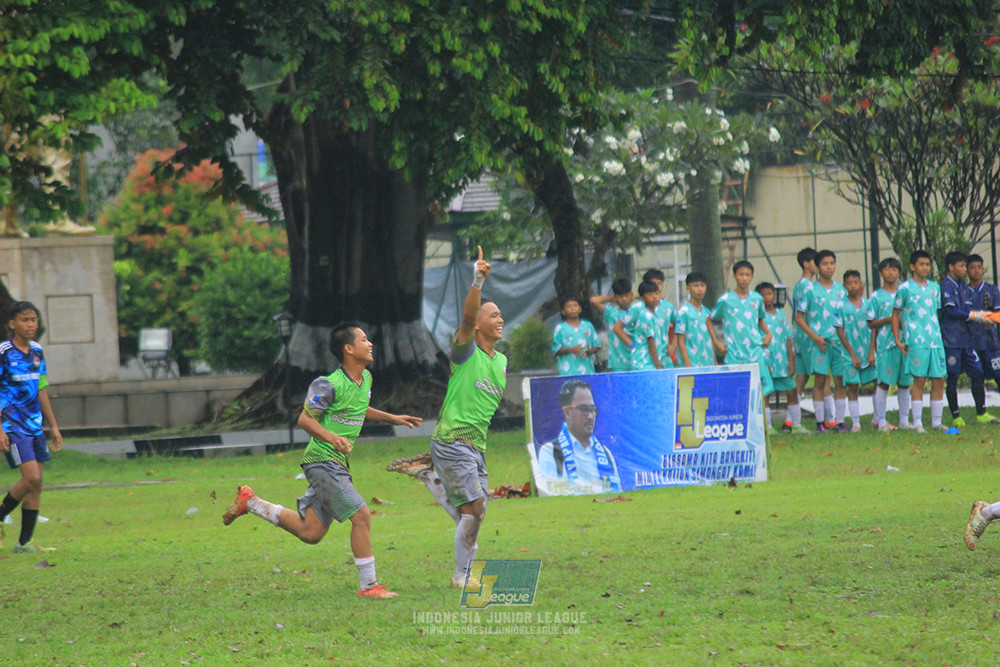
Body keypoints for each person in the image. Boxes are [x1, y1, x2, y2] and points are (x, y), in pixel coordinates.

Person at [222, 322, 422, 599]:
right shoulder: (327, 384)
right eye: (364, 339)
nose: (370, 343)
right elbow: (305, 419)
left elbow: (360, 408)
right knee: (362, 516)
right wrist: (331, 437)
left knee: (311, 532)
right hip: (322, 461)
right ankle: (368, 587)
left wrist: (393, 418)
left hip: (336, 463)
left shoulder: (367, 380)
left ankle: (251, 502)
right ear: (349, 349)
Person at [387, 246, 507, 588]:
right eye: (493, 315)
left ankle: (430, 477)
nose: (500, 319)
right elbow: (467, 320)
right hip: (452, 441)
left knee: (475, 513)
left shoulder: (501, 362)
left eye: (501, 315)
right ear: (479, 324)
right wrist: (477, 282)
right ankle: (461, 576)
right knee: (476, 508)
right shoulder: (465, 351)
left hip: (475, 446)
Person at [0, 301, 63, 552]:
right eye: (25, 320)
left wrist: (54, 427)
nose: (31, 325)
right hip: (12, 425)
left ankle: (24, 543)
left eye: (34, 320)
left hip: (35, 425)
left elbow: (42, 388)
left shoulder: (37, 350)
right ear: (12, 324)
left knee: (37, 484)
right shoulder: (4, 352)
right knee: (31, 478)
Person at [891, 250, 947, 433]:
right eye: (921, 264)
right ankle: (917, 423)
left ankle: (936, 422)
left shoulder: (934, 287)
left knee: (939, 380)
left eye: (927, 264)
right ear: (912, 266)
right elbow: (895, 315)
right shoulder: (904, 288)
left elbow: (936, 312)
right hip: (916, 341)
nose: (925, 268)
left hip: (935, 341)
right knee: (919, 380)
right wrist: (898, 339)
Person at [535, 380, 621, 494]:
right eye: (584, 409)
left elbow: (619, 497)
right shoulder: (551, 453)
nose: (590, 416)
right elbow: (554, 498)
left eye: (592, 410)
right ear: (567, 412)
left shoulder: (606, 454)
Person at [706, 260, 774, 397]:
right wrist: (716, 342)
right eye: (741, 274)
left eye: (747, 275)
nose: (744, 278)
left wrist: (768, 334)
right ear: (734, 276)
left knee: (761, 393)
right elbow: (709, 318)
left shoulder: (757, 298)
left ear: (752, 277)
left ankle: (764, 419)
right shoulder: (725, 300)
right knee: (734, 393)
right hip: (734, 355)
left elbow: (759, 319)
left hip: (755, 353)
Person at [795, 249, 846, 432]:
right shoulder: (810, 290)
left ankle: (839, 422)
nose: (829, 267)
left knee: (840, 381)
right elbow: (799, 318)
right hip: (820, 343)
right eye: (825, 264)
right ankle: (820, 423)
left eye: (832, 263)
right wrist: (815, 337)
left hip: (839, 342)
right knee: (820, 381)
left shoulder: (841, 290)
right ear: (817, 266)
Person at [939, 251, 991, 426]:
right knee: (952, 376)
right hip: (951, 340)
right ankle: (956, 416)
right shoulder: (946, 285)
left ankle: (981, 413)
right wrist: (973, 315)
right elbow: (950, 311)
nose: (964, 269)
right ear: (951, 267)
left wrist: (981, 318)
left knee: (978, 372)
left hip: (967, 340)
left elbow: (967, 311)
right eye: (961, 266)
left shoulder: (964, 287)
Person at [867, 258, 912, 431]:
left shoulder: (905, 292)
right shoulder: (876, 297)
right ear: (880, 273)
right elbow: (871, 323)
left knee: (904, 383)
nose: (890, 272)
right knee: (884, 382)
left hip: (905, 342)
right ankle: (882, 421)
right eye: (886, 269)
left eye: (894, 269)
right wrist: (888, 320)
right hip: (886, 344)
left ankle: (903, 421)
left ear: (899, 273)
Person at [757, 282, 805, 433]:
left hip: (782, 362)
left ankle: (796, 425)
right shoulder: (757, 317)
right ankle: (768, 427)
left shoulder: (781, 314)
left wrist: (791, 360)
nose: (767, 297)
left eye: (769, 294)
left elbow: (788, 337)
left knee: (791, 390)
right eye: (763, 295)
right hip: (766, 361)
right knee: (766, 394)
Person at [833, 270, 876, 432]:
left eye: (856, 282)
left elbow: (872, 328)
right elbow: (839, 331)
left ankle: (878, 418)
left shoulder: (867, 304)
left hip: (867, 351)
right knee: (852, 386)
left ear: (861, 284)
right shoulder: (840, 306)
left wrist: (871, 351)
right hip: (849, 354)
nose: (853, 286)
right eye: (849, 283)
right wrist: (852, 354)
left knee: (878, 381)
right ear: (844, 286)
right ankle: (856, 423)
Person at [966, 254, 1000, 413]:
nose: (976, 271)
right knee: (977, 376)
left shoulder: (992, 289)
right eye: (972, 268)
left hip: (991, 341)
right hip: (971, 341)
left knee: (998, 374)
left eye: (979, 267)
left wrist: (990, 315)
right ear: (967, 270)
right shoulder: (964, 291)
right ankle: (981, 411)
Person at [614, 281, 665, 371]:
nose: (654, 297)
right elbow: (651, 343)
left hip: (649, 363)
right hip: (644, 364)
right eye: (650, 294)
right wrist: (658, 366)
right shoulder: (646, 316)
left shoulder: (653, 315)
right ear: (642, 298)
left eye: (656, 293)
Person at [590, 278, 634, 373]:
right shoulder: (611, 313)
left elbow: (659, 297)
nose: (624, 299)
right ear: (615, 297)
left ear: (631, 295)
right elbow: (593, 300)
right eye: (620, 296)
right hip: (617, 364)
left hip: (637, 361)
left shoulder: (637, 311)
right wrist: (611, 299)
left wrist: (633, 296)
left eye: (626, 295)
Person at [551, 294, 601, 376]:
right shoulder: (560, 328)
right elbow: (555, 350)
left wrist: (588, 351)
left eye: (575, 305)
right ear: (563, 311)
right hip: (567, 372)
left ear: (580, 309)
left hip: (587, 370)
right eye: (568, 306)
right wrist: (571, 349)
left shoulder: (588, 325)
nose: (572, 308)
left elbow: (597, 345)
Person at [675, 272, 715, 368]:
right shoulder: (683, 312)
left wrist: (715, 361)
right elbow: (680, 340)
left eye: (702, 285)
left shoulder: (706, 312)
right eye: (696, 286)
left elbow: (710, 338)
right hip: (691, 363)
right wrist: (687, 363)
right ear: (688, 288)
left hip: (708, 363)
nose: (700, 289)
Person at [640, 268, 677, 368]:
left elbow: (679, 324)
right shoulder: (639, 309)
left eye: (659, 283)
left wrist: (673, 344)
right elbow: (620, 327)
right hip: (646, 360)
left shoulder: (668, 307)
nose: (657, 286)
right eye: (653, 283)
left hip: (664, 356)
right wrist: (632, 344)